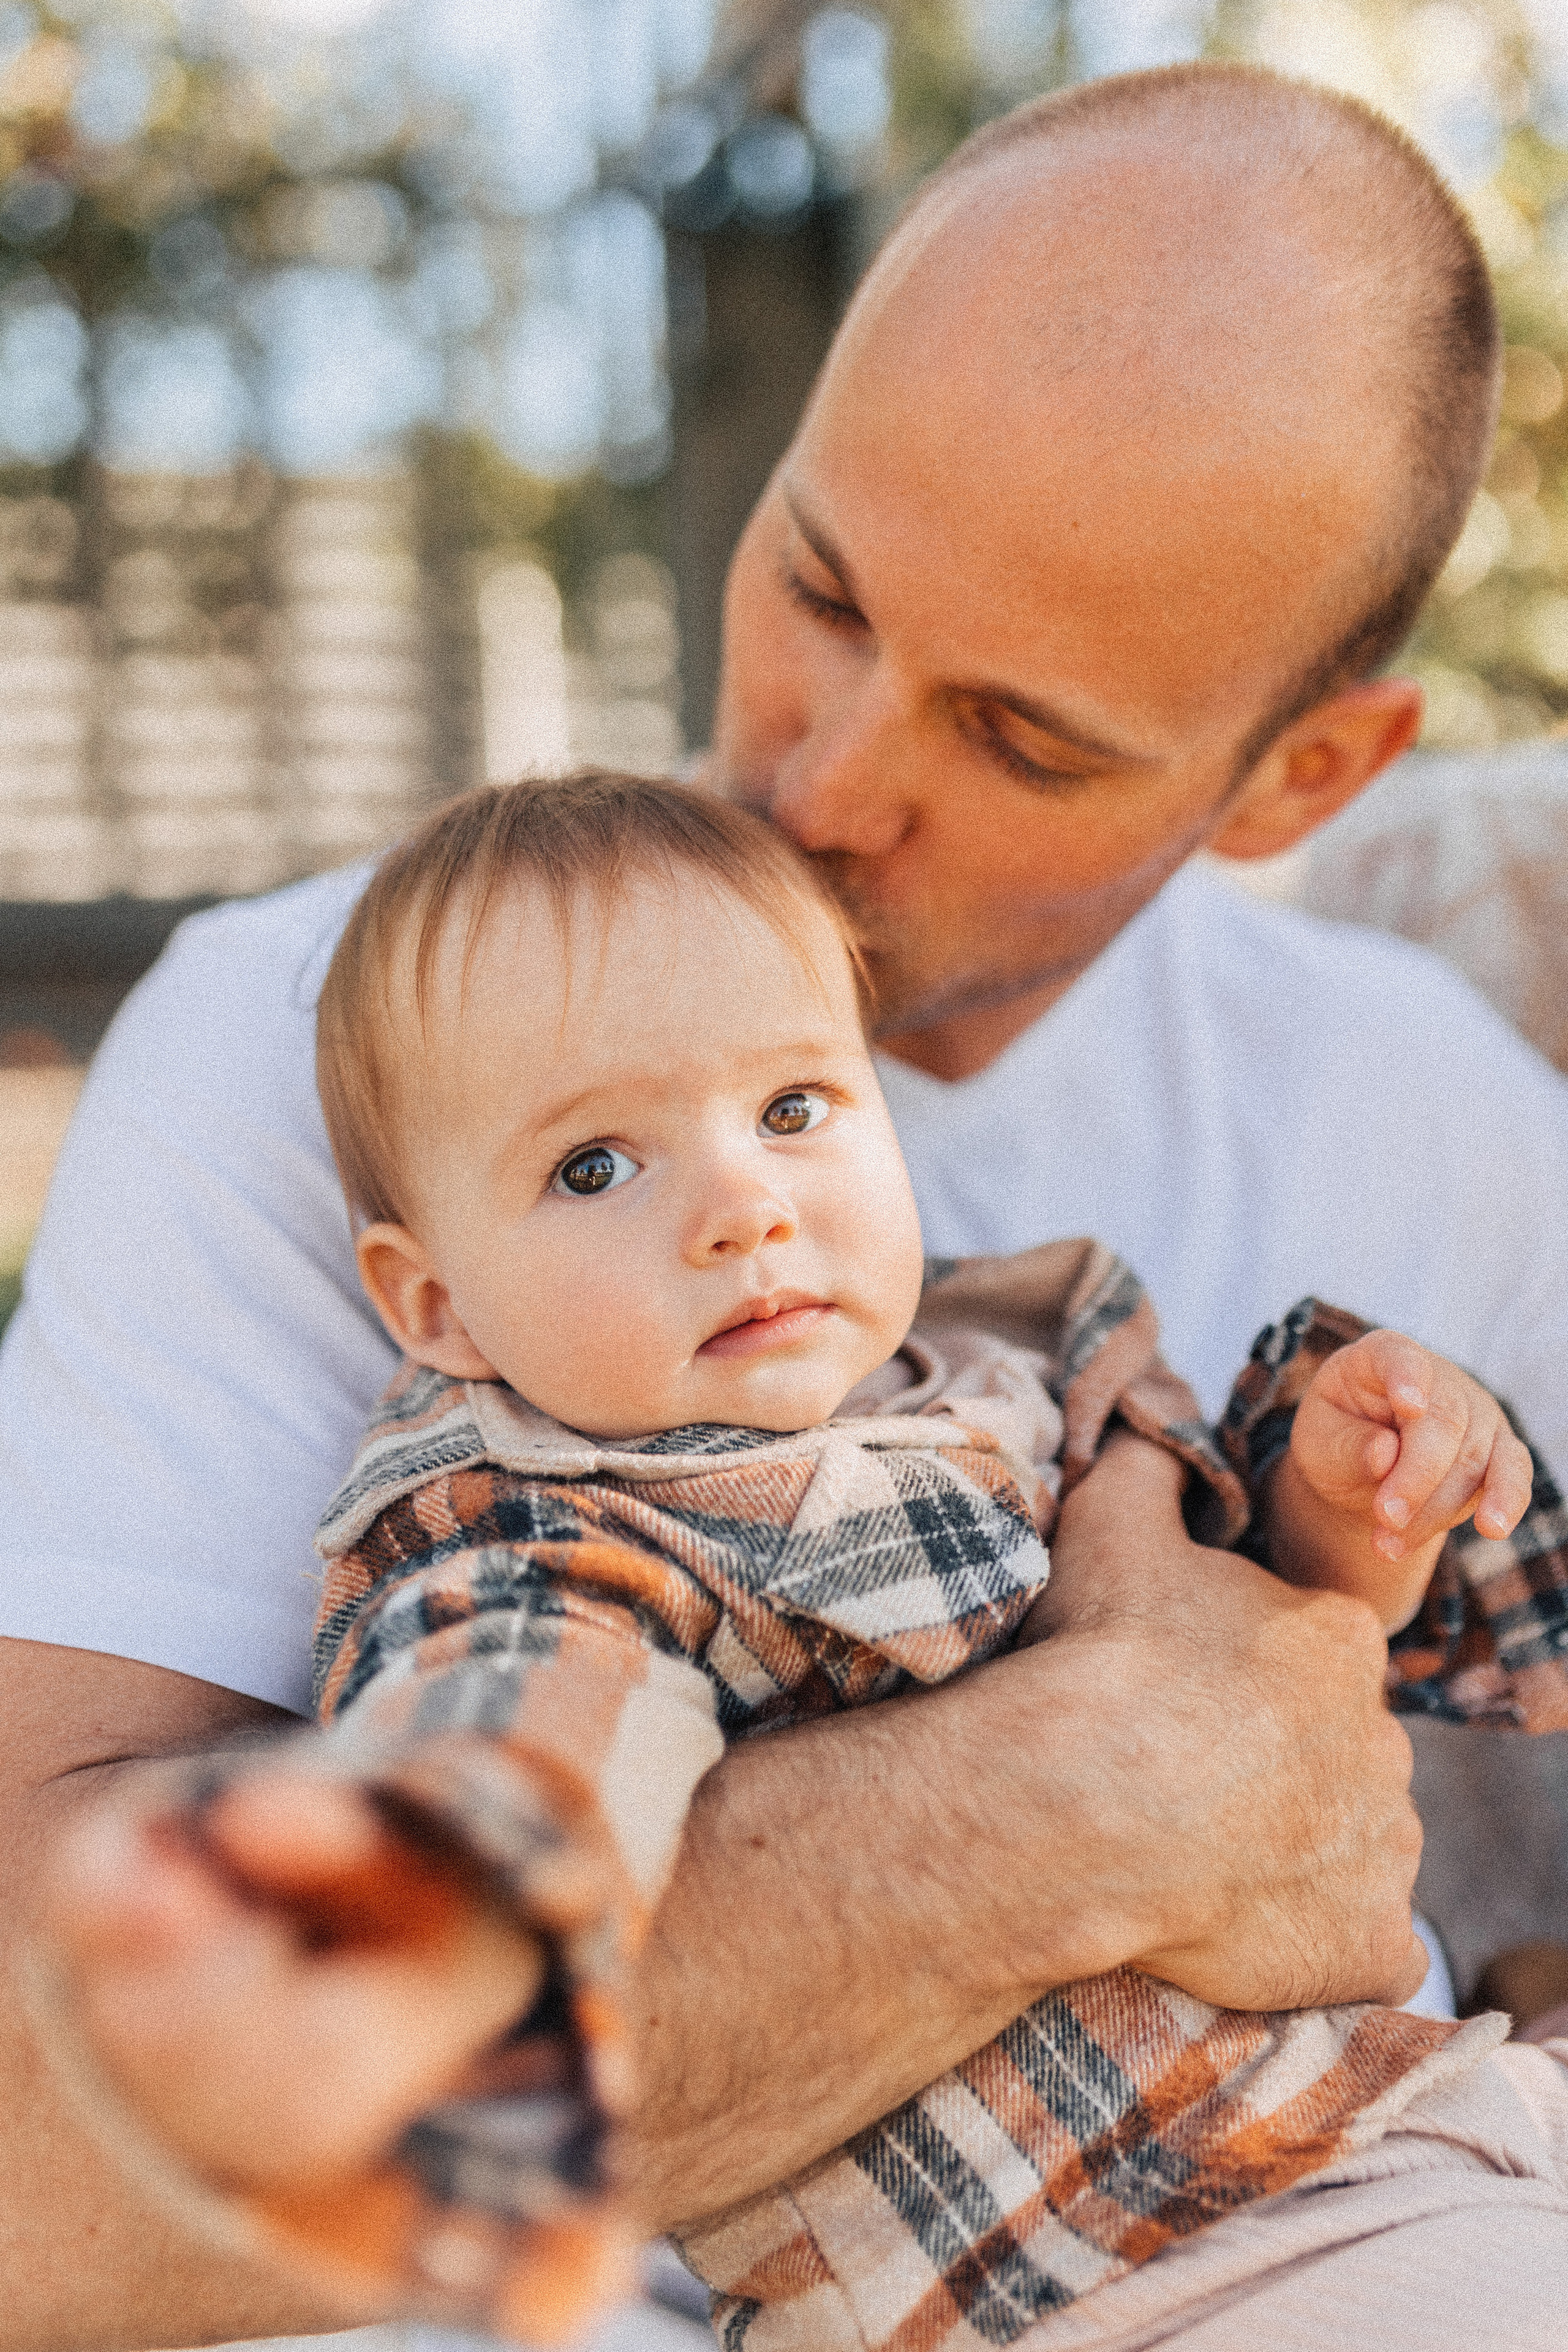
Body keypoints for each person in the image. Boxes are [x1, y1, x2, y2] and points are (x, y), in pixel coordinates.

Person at [4, 56, 1568, 2350]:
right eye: (818, 585)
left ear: (1300, 777)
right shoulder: (318, 1045)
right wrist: (1083, 1802)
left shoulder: (1426, 1107)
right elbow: (36, 2161)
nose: (822, 782)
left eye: (1022, 741)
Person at [51, 774, 1549, 2348]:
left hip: (1377, 2125)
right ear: (431, 1307)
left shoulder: (1000, 1368)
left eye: (789, 1112)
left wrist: (1349, 1500)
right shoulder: (555, 1522)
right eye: (593, 1167)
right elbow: (521, 1738)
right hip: (1112, 2274)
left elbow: (1273, 1649)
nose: (741, 1209)